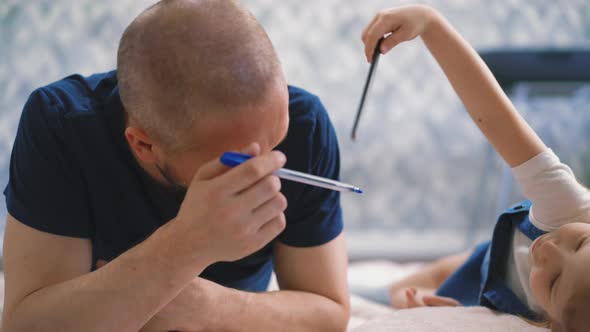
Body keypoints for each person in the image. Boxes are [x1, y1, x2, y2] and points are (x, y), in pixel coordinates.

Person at [1, 1, 350, 331]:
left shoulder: (306, 125)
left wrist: (204, 306)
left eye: (278, 136)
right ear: (143, 144)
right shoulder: (63, 125)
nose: (268, 168)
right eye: (239, 161)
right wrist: (187, 245)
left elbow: (327, 312)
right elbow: (26, 324)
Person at [360, 4, 590, 330]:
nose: (550, 250)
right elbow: (494, 117)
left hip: (494, 295)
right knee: (410, 281)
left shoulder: (558, 319)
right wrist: (431, 24)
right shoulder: (570, 207)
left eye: (554, 281)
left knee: (404, 296)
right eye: (581, 243)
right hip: (491, 255)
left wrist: (444, 308)